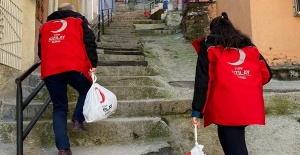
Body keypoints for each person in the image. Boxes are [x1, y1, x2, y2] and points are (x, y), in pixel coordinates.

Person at [191, 12, 272, 155]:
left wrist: (197, 111)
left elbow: (203, 81)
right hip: (248, 104)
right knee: (236, 142)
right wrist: (245, 83)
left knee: (234, 147)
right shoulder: (249, 47)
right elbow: (266, 74)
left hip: (225, 106)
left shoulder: (209, 47)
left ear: (213, 31)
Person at [38, 3, 98, 155]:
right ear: (72, 11)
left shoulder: (45, 26)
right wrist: (93, 64)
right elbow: (90, 41)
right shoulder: (78, 21)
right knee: (89, 88)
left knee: (59, 108)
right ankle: (77, 119)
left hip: (50, 70)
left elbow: (41, 51)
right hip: (74, 65)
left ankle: (64, 150)